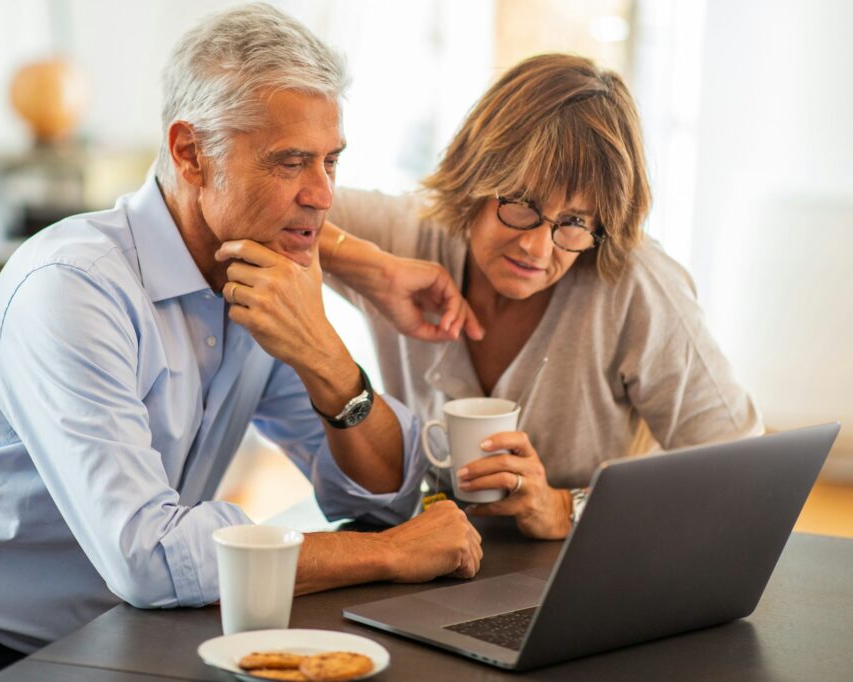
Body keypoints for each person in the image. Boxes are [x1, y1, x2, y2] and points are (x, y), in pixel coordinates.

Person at [0, 5, 482, 679]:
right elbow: (149, 556)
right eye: (291, 163)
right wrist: (388, 556)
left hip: (94, 639)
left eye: (331, 161)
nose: (322, 194)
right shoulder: (75, 287)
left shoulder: (260, 276)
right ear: (189, 153)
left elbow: (379, 500)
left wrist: (330, 362)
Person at [320, 53, 763, 540]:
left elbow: (742, 476)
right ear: (474, 177)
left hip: (595, 564)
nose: (536, 246)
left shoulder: (637, 288)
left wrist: (567, 508)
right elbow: (248, 210)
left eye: (574, 222)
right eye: (522, 204)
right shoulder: (410, 235)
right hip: (437, 557)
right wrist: (371, 266)